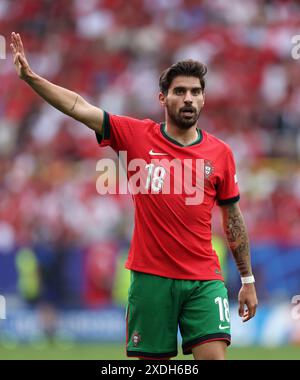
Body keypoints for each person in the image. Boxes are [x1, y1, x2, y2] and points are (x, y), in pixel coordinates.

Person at [10, 32, 258, 360]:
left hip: (203, 279)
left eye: (196, 92)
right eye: (180, 91)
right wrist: (31, 78)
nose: (188, 99)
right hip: (150, 279)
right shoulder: (136, 136)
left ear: (203, 99)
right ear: (162, 98)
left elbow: (233, 218)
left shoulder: (221, 153)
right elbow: (77, 107)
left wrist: (247, 278)